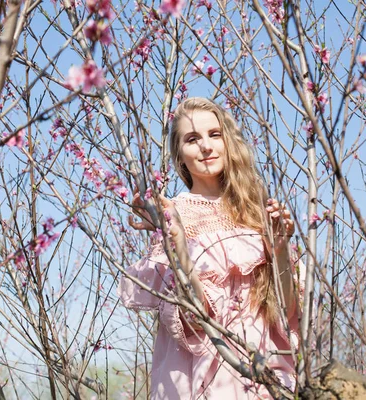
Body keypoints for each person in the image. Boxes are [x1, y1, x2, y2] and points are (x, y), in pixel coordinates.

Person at [118, 97, 303, 399]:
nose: (206, 146)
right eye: (192, 139)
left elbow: (285, 310)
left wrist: (280, 247)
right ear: (179, 154)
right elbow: (193, 319)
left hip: (265, 369)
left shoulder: (257, 210)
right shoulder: (175, 212)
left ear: (229, 141)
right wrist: (177, 243)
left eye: (214, 134)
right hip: (204, 375)